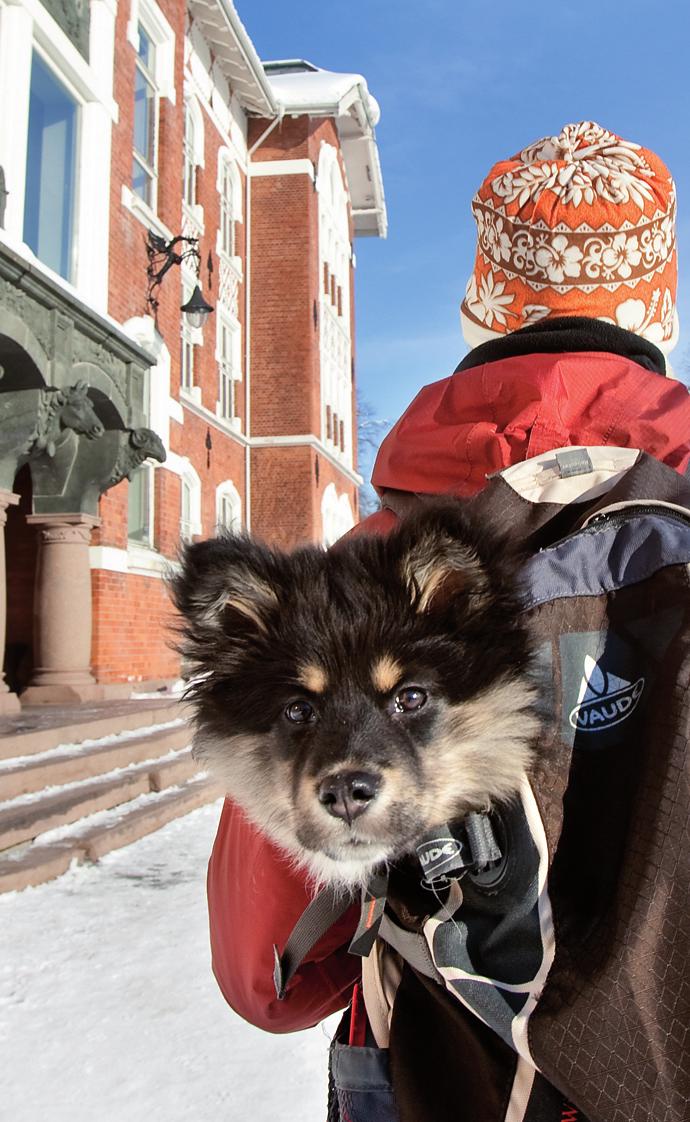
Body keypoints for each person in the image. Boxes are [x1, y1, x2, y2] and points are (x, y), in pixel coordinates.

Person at [204, 122, 690, 1119]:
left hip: (442, 1077)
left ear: (485, 303)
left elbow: (270, 969)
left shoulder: (360, 578)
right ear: (660, 306)